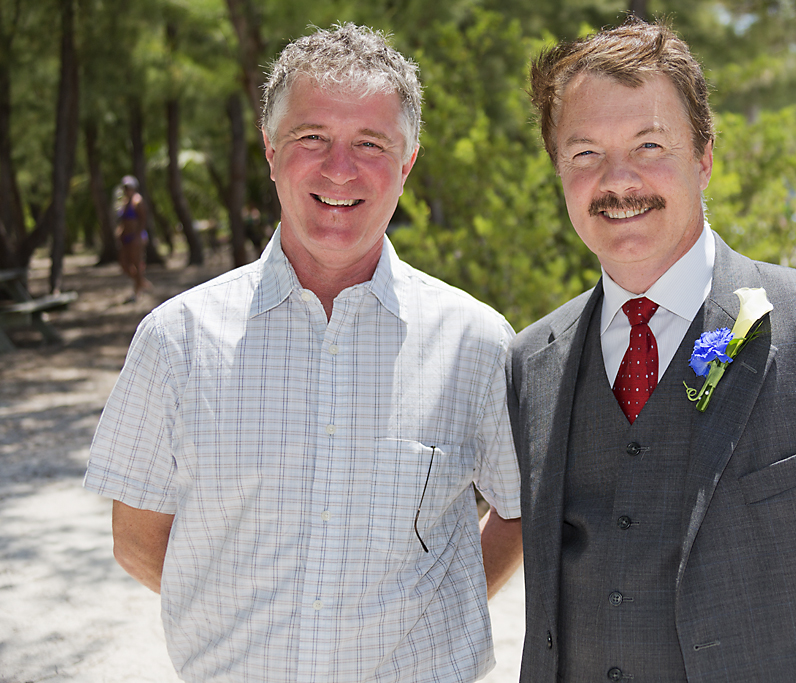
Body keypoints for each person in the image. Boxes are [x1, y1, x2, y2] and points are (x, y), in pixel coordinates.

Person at [506, 18, 796, 683]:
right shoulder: (532, 361)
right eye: (585, 153)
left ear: (704, 156)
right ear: (558, 168)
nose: (619, 180)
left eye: (649, 144)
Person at [85, 23, 522, 682]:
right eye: (311, 137)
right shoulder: (176, 338)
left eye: (369, 143)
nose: (338, 168)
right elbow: (138, 539)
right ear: (269, 149)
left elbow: (519, 512)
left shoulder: (479, 342)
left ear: (407, 161)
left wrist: (427, 611)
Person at [115, 175, 150, 301]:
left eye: (128, 188)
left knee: (137, 263)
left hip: (137, 237)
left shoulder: (138, 201)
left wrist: (138, 235)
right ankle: (141, 281)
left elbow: (143, 220)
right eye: (125, 188)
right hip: (126, 238)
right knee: (124, 264)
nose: (126, 190)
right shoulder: (124, 202)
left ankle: (137, 291)